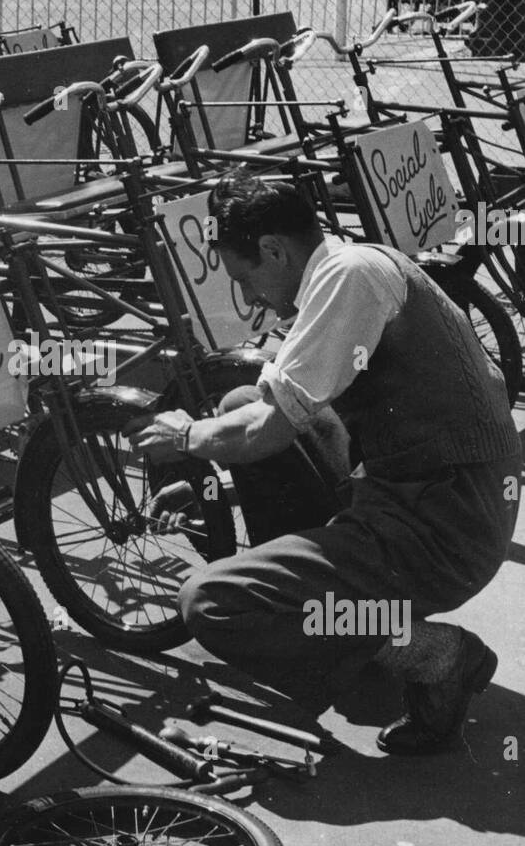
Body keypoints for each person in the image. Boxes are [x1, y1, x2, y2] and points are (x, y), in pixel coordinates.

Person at [125, 174, 521, 754]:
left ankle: (434, 654)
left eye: (247, 278)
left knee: (210, 602)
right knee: (240, 401)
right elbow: (271, 411)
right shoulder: (353, 260)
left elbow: (267, 429)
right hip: (445, 490)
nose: (253, 297)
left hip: (446, 529)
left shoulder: (348, 281)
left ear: (273, 251)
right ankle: (336, 615)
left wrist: (187, 437)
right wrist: (217, 491)